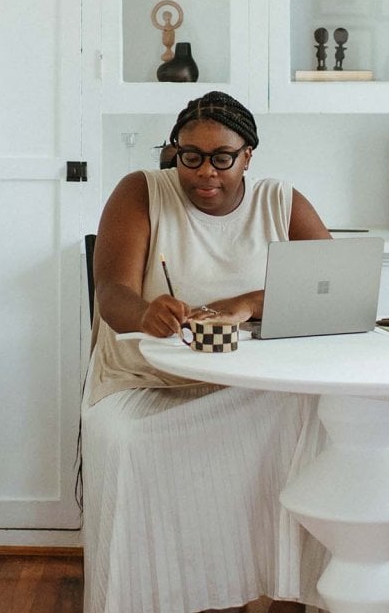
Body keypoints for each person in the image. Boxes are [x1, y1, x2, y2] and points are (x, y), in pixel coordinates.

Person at [82, 91, 332, 613]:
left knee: (313, 422)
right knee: (135, 441)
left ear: (248, 156)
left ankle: (282, 593)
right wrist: (143, 313)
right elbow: (111, 294)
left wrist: (247, 302)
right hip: (146, 379)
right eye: (189, 155)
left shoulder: (280, 202)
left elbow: (333, 288)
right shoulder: (141, 191)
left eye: (222, 158)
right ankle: (159, 597)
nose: (204, 172)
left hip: (250, 383)